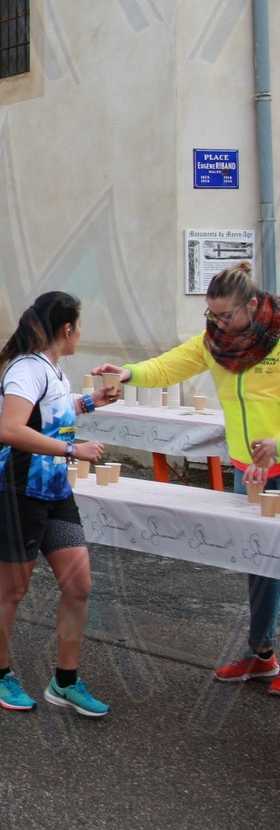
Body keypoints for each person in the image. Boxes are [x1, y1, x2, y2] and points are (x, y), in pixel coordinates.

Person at [93, 262, 280, 696]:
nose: (218, 324)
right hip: (250, 470)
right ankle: (262, 652)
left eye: (226, 315)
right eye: (212, 315)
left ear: (253, 305)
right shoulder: (215, 342)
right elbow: (170, 366)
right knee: (259, 562)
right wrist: (129, 373)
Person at [0, 291, 115, 717]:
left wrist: (88, 403)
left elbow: (47, 414)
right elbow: (12, 429)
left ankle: (65, 681)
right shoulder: (26, 368)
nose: (80, 334)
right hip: (16, 494)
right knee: (13, 590)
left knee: (79, 587)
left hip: (55, 494)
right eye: (80, 326)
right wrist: (73, 450)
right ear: (67, 328)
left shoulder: (52, 370)